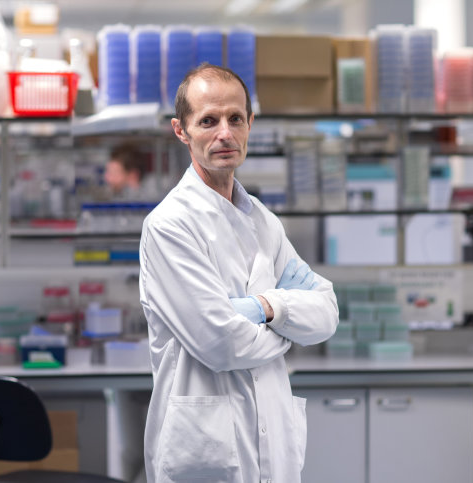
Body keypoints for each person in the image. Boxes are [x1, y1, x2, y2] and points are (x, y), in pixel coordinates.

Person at [138, 63, 339, 482]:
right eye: (208, 121)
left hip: (274, 447)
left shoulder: (264, 222)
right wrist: (288, 329)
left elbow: (326, 314)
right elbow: (222, 343)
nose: (224, 133)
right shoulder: (170, 226)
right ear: (181, 131)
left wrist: (264, 308)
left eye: (235, 119)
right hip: (207, 455)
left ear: (251, 123)